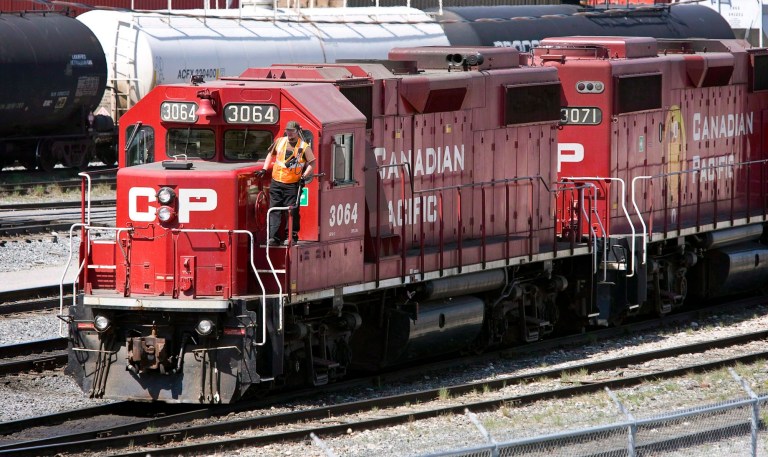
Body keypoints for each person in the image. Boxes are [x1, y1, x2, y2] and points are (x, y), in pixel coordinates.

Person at [255, 121, 315, 245]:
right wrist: (264, 169)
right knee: (274, 209)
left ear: (297, 131)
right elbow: (270, 155)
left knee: (291, 211)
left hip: (292, 184)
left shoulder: (304, 147)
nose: (289, 133)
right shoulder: (280, 142)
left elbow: (312, 163)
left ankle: (291, 237)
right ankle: (273, 237)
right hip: (276, 182)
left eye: (292, 131)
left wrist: (304, 176)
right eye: (288, 130)